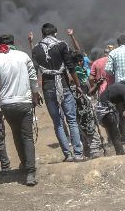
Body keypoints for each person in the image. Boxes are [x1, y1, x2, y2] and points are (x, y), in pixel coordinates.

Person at [0, 35, 40, 186]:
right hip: (24, 102)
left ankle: (23, 165)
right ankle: (30, 173)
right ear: (14, 43)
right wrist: (35, 96)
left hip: (7, 104)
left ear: (0, 44)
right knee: (27, 136)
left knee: (16, 133)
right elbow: (33, 77)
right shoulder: (23, 56)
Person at [31, 23, 86, 162]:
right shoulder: (62, 45)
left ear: (42, 35)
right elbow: (70, 66)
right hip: (63, 86)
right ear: (55, 33)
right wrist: (78, 85)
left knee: (58, 122)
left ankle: (67, 155)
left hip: (48, 87)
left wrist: (35, 94)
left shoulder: (36, 49)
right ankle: (78, 154)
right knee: (72, 120)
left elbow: (34, 73)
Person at [96, 81, 125, 155]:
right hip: (104, 108)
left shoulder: (124, 86)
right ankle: (120, 153)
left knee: (116, 132)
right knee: (115, 133)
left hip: (104, 106)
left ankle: (120, 152)